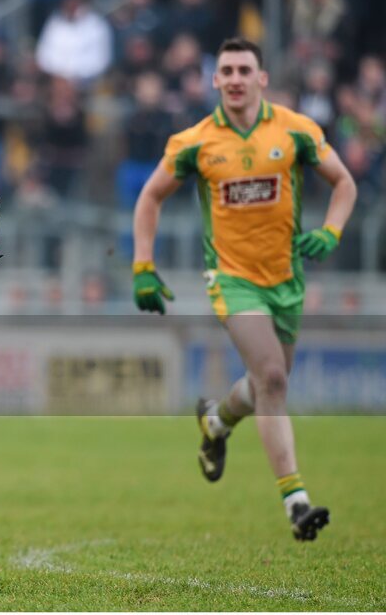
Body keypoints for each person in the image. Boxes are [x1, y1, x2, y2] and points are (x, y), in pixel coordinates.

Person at [131, 38, 357, 541]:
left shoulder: (295, 130)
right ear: (215, 81)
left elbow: (344, 182)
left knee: (264, 385)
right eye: (226, 69)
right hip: (231, 279)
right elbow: (150, 196)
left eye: (243, 69)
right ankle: (296, 501)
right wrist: (143, 264)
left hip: (286, 279)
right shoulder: (194, 141)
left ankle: (215, 422)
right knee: (273, 376)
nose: (234, 78)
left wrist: (331, 230)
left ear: (262, 78)